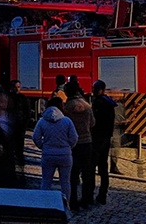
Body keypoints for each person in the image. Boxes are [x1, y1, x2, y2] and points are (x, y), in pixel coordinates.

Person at [32, 102, 78, 201]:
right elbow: (74, 138)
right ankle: (66, 204)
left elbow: (36, 137)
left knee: (46, 181)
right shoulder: (67, 121)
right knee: (65, 182)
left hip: (48, 154)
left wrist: (42, 146)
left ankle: (44, 203)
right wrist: (68, 147)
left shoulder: (42, 121)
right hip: (65, 154)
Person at [62, 81, 96, 211]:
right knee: (87, 173)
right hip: (87, 142)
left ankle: (73, 201)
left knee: (73, 174)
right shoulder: (87, 105)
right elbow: (93, 123)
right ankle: (87, 199)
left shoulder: (67, 107)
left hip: (73, 144)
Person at [86, 80, 117, 205]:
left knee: (91, 167)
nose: (93, 91)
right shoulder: (109, 103)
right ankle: (102, 195)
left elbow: (93, 122)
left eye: (94, 88)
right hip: (106, 138)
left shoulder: (98, 103)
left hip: (97, 139)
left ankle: (89, 194)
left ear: (100, 89)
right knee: (103, 168)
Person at [8, 79, 30, 168]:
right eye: (15, 87)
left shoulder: (23, 99)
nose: (17, 89)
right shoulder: (7, 98)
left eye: (18, 87)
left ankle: (20, 162)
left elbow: (27, 113)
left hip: (20, 127)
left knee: (19, 146)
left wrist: (24, 126)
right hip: (10, 127)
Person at [110, 103, 127, 175]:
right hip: (108, 129)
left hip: (115, 130)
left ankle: (113, 166)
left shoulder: (121, 106)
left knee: (115, 148)